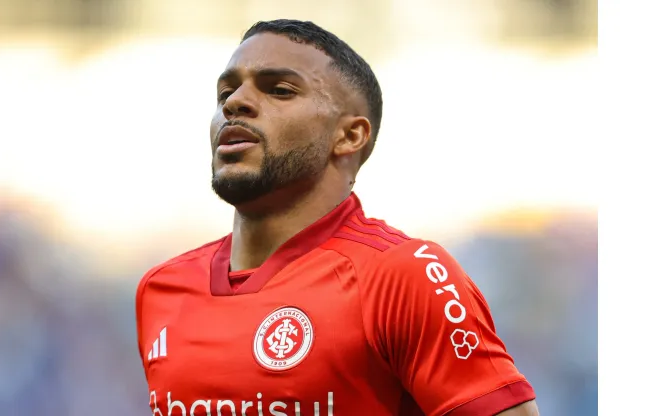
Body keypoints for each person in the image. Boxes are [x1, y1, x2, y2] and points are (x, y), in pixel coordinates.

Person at [136, 19, 539, 416]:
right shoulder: (161, 289)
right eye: (226, 90)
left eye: (279, 90)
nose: (234, 103)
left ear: (349, 136)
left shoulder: (401, 275)